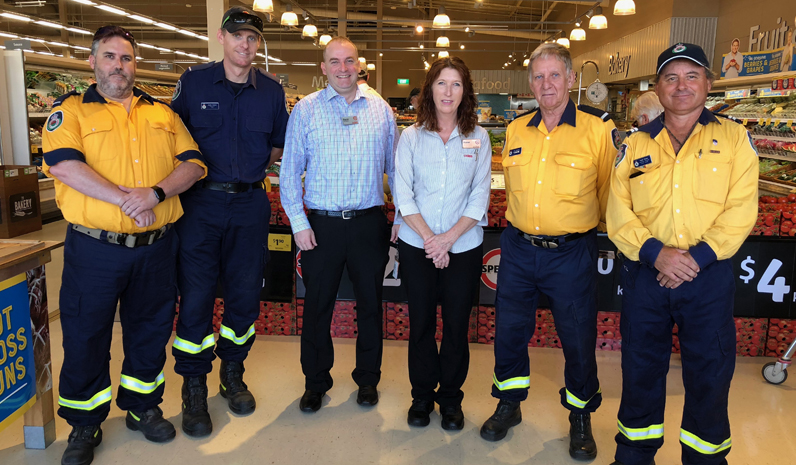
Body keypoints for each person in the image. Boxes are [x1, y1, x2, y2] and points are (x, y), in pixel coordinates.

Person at [42, 26, 206, 465]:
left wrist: (153, 195)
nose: (120, 65)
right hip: (95, 249)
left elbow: (193, 164)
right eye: (110, 57)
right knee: (85, 332)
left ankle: (142, 406)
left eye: (127, 58)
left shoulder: (162, 114)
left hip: (156, 247)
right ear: (93, 62)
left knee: (149, 329)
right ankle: (84, 421)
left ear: (136, 64)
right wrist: (128, 200)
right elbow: (64, 166)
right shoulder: (70, 111)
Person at [606, 43, 758, 465]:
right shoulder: (634, 144)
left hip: (706, 280)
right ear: (658, 87)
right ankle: (634, 455)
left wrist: (696, 259)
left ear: (708, 83)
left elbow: (742, 208)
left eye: (692, 76)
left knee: (709, 375)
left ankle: (705, 459)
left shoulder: (733, 139)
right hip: (646, 277)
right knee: (640, 372)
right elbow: (618, 210)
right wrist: (656, 254)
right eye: (671, 77)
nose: (681, 86)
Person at [480, 43, 615, 463]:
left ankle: (579, 415)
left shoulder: (599, 130)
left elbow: (611, 194)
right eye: (538, 77)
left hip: (571, 252)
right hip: (518, 248)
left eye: (554, 75)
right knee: (509, 332)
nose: (546, 84)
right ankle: (509, 403)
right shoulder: (518, 129)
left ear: (571, 80)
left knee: (577, 338)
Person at [169, 6, 289, 437]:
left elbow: (275, 150)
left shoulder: (272, 93)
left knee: (243, 294)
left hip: (249, 205)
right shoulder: (193, 83)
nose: (245, 44)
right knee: (197, 294)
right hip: (199, 206)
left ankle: (232, 374)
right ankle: (194, 386)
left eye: (252, 38)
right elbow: (172, 141)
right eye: (237, 36)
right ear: (221, 37)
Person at [280, 37, 397, 413]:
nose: (343, 69)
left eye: (349, 61)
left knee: (370, 307)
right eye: (335, 62)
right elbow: (289, 172)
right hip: (322, 226)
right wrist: (299, 223)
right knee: (317, 307)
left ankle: (367, 380)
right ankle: (315, 382)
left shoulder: (381, 110)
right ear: (323, 68)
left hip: (368, 225)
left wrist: (401, 217)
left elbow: (396, 171)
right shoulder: (306, 111)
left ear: (359, 65)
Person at [393, 57, 491, 430]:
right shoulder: (412, 136)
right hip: (417, 246)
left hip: (463, 248)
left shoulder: (479, 137)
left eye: (456, 85)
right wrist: (431, 240)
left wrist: (447, 240)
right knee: (420, 324)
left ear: (465, 92)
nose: (448, 92)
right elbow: (404, 193)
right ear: (429, 89)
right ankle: (421, 396)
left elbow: (479, 196)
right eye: (441, 84)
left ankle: (450, 398)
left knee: (454, 325)